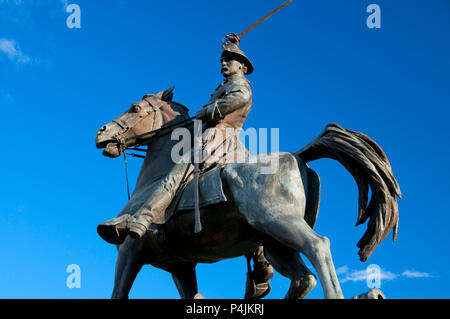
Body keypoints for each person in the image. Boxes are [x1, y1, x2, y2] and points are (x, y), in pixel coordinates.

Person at [98, 33, 273, 296]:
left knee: (175, 174)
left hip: (220, 138)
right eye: (223, 60)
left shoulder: (239, 85)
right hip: (232, 143)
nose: (225, 64)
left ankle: (142, 218)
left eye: (231, 60)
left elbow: (238, 99)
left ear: (242, 66)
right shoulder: (226, 84)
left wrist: (208, 111)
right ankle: (260, 262)